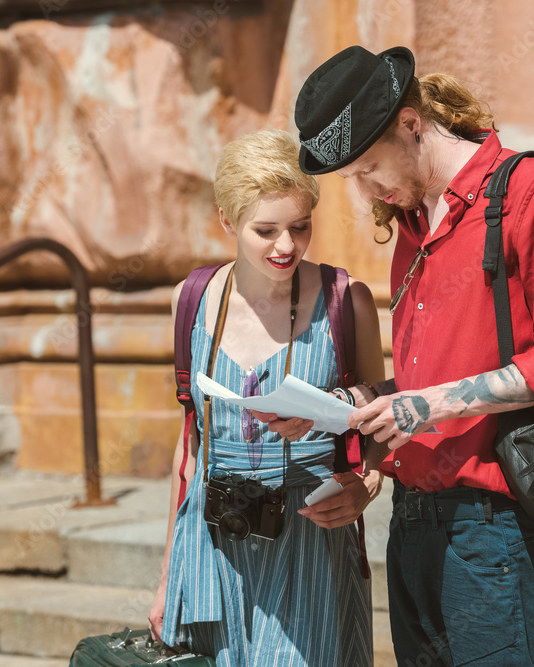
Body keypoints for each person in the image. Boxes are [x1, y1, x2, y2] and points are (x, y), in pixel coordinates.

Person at [284, 46, 534, 666]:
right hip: (411, 524)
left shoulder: (530, 190)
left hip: (496, 535)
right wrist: (352, 405)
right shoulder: (410, 226)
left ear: (412, 124)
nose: (366, 189)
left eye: (368, 167)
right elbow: (424, 380)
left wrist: (428, 405)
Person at [147, 128, 387, 667]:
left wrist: (367, 482)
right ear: (227, 221)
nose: (286, 246)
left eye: (300, 227)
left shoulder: (347, 302)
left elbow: (382, 418)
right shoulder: (191, 301)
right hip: (209, 550)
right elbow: (189, 449)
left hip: (311, 544)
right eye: (265, 230)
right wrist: (167, 578)